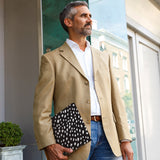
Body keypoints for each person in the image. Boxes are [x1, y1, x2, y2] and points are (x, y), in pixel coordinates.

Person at [33, 1, 134, 160]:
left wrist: (125, 138)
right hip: (73, 135)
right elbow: (42, 109)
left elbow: (116, 101)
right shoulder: (51, 60)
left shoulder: (103, 57)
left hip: (108, 135)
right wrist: (48, 144)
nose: (89, 19)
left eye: (90, 16)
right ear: (69, 22)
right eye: (83, 16)